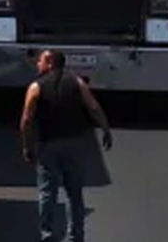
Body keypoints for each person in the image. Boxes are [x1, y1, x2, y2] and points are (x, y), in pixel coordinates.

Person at [21, 50, 113, 242]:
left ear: (49, 62)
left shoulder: (36, 87)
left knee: (47, 193)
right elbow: (93, 106)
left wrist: (27, 146)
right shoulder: (77, 83)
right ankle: (75, 236)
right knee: (74, 192)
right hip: (74, 144)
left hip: (48, 145)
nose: (37, 65)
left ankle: (47, 235)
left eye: (40, 61)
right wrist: (105, 128)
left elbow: (27, 119)